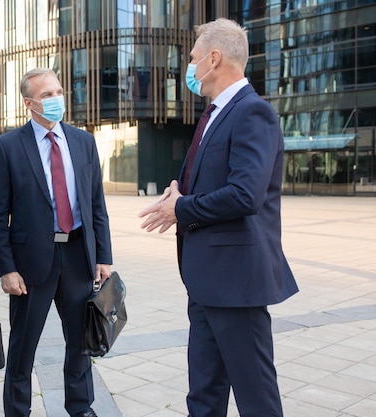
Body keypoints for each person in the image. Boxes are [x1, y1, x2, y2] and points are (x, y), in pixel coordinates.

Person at [138, 18, 299, 417]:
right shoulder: (215, 114)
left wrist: (183, 208)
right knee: (204, 397)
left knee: (256, 398)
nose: (190, 69)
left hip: (237, 284)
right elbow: (219, 187)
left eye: (193, 59)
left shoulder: (252, 113)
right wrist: (180, 197)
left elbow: (246, 195)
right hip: (207, 282)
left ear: (214, 58)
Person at [0, 68, 112, 417]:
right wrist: (7, 268)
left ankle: (81, 408)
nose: (57, 99)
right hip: (31, 265)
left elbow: (96, 204)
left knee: (81, 344)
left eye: (59, 91)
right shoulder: (8, 146)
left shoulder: (84, 141)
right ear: (29, 103)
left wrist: (103, 255)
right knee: (23, 347)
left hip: (77, 256)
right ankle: (17, 411)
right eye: (47, 95)